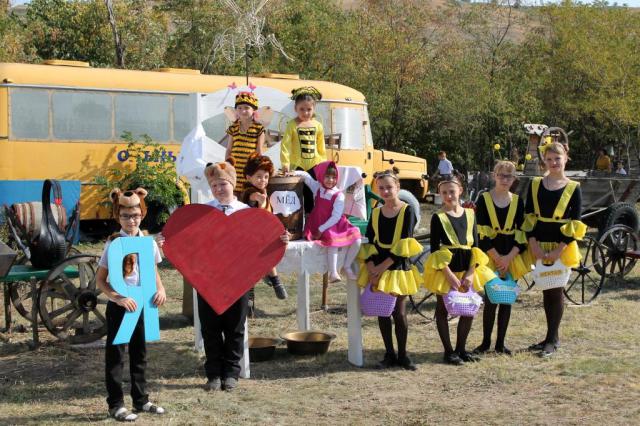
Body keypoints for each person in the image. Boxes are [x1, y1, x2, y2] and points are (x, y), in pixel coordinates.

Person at [199, 158, 289, 392]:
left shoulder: (247, 212)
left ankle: (231, 374)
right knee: (210, 328)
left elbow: (261, 241)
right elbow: (191, 244)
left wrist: (280, 239)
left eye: (223, 184)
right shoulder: (204, 211)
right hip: (208, 279)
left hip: (238, 280)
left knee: (235, 327)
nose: (219, 189)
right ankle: (213, 374)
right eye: (215, 186)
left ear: (232, 184)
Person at [96, 187, 166, 422]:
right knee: (116, 356)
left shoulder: (148, 242)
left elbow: (153, 270)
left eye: (135, 215)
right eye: (125, 216)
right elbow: (100, 280)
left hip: (143, 303)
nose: (131, 220)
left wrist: (161, 289)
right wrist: (117, 298)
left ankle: (141, 399)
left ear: (142, 215)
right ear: (118, 217)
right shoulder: (114, 244)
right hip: (121, 306)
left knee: (140, 353)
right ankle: (115, 404)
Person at [522, 142, 585, 358]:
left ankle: (552, 339)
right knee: (545, 289)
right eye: (549, 159)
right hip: (539, 245)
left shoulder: (573, 187)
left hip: (561, 246)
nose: (553, 163)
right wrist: (533, 245)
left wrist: (559, 249)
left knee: (556, 290)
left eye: (557, 159)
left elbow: (575, 222)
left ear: (566, 158)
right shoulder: (535, 184)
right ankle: (549, 336)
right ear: (544, 161)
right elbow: (529, 216)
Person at [423, 176, 494, 365]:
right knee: (442, 309)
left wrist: (471, 273)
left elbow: (476, 248)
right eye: (444, 192)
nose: (448, 195)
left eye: (451, 191)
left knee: (468, 308)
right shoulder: (438, 217)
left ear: (460, 191)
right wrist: (449, 276)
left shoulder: (471, 214)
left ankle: (461, 348)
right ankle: (448, 351)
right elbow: (435, 249)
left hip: (466, 269)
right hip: (446, 271)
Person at [357, 168, 422, 370]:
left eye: (389, 187)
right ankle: (389, 353)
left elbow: (405, 243)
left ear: (398, 187)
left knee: (399, 312)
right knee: (382, 311)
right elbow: (369, 242)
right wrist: (371, 267)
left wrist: (381, 268)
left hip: (397, 267)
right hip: (377, 265)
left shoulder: (407, 210)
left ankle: (403, 355)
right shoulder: (376, 212)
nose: (385, 191)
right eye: (381, 188)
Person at [473, 161, 529, 356]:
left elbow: (522, 234)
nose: (505, 179)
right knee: (490, 300)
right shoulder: (484, 199)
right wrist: (498, 259)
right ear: (494, 175)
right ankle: (485, 342)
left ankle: (500, 343)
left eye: (509, 176)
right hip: (491, 256)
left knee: (506, 299)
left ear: (514, 179)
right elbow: (481, 234)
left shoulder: (518, 201)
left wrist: (508, 259)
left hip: (511, 256)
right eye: (501, 175)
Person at [294, 161, 362, 282]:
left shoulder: (338, 195)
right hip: (318, 223)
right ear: (321, 176)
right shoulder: (318, 188)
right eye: (327, 176)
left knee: (357, 239)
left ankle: (346, 266)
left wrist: (321, 229)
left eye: (333, 177)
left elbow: (336, 217)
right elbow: (306, 177)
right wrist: (292, 173)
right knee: (332, 241)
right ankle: (333, 272)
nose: (330, 180)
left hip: (333, 223)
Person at [241, 152, 288, 299]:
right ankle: (274, 279)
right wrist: (260, 202)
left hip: (264, 232)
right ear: (249, 178)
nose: (263, 180)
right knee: (256, 257)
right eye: (259, 176)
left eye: (266, 177)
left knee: (271, 251)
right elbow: (255, 206)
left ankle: (269, 276)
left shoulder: (263, 191)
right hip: (252, 233)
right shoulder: (250, 191)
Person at [280, 86, 326, 212]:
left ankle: (311, 220)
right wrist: (285, 163)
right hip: (297, 165)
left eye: (309, 109)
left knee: (312, 194)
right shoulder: (292, 124)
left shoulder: (318, 126)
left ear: (314, 109)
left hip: (314, 165)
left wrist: (323, 164)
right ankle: (296, 221)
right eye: (302, 109)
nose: (305, 113)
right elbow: (285, 144)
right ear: (295, 109)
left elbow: (321, 147)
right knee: (296, 194)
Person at [222, 91, 265, 193]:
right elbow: (229, 149)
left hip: (249, 170)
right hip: (235, 169)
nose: (243, 111)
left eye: (247, 108)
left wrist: (256, 169)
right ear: (236, 110)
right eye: (239, 108)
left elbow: (259, 151)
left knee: (248, 195)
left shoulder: (259, 128)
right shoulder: (233, 128)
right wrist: (227, 166)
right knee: (235, 195)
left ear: (253, 109)